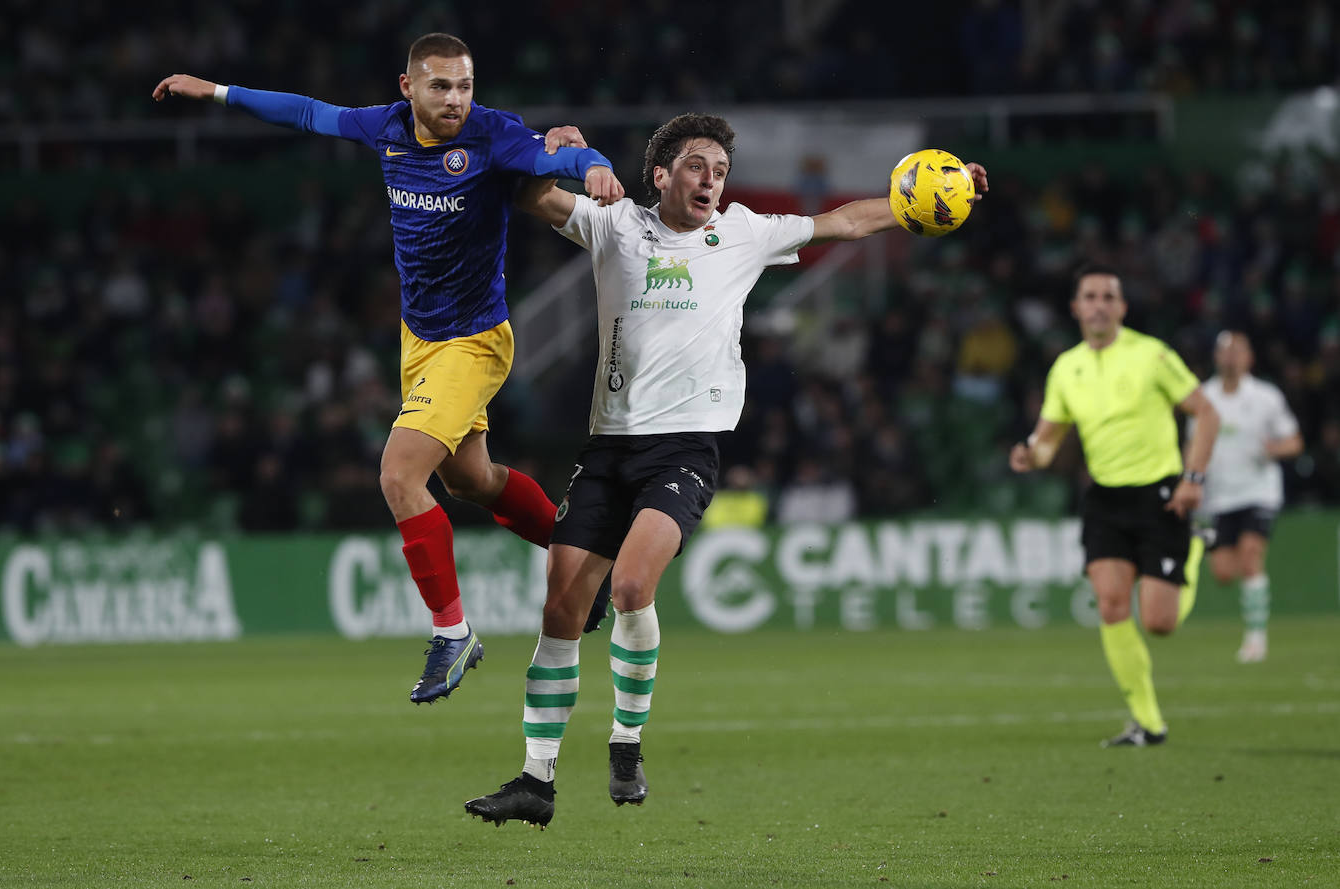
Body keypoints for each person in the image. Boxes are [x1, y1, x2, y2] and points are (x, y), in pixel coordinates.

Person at [463, 113, 989, 827]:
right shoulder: (615, 224)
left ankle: (625, 743)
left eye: (719, 170)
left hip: (685, 447)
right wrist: (553, 152)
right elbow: (528, 198)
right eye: (696, 166)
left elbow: (844, 224)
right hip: (609, 444)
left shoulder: (741, 232)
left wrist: (937, 190)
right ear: (660, 175)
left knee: (630, 583)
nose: (711, 179)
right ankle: (536, 778)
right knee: (558, 610)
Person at [152, 32, 624, 704]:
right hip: (420, 341)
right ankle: (583, 554)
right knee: (473, 480)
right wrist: (220, 92)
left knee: (399, 473)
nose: (455, 99)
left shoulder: (493, 137)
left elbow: (563, 153)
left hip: (474, 341)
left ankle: (453, 631)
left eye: (463, 85)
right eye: (440, 86)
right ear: (409, 88)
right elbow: (308, 113)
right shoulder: (386, 128)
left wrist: (597, 165)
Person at [1010, 262, 1220, 748]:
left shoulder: (1152, 355)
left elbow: (1206, 411)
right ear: (1076, 308)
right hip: (1105, 498)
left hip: (1160, 494)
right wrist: (1030, 454)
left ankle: (1191, 550)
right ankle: (1148, 724)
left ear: (1122, 307)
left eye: (1108, 296)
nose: (1099, 304)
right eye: (1090, 296)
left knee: (1160, 624)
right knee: (1109, 605)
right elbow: (1048, 439)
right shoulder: (1067, 367)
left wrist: (1193, 478)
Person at [1196, 331, 1303, 663]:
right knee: (1224, 572)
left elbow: (1294, 441)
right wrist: (1192, 481)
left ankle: (1256, 639)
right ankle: (1253, 620)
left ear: (1249, 358)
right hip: (1219, 495)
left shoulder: (1266, 397)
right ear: (1216, 357)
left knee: (1251, 555)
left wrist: (1274, 449)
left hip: (1259, 491)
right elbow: (1193, 444)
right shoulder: (1203, 397)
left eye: (1237, 351)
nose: (1230, 357)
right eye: (1225, 351)